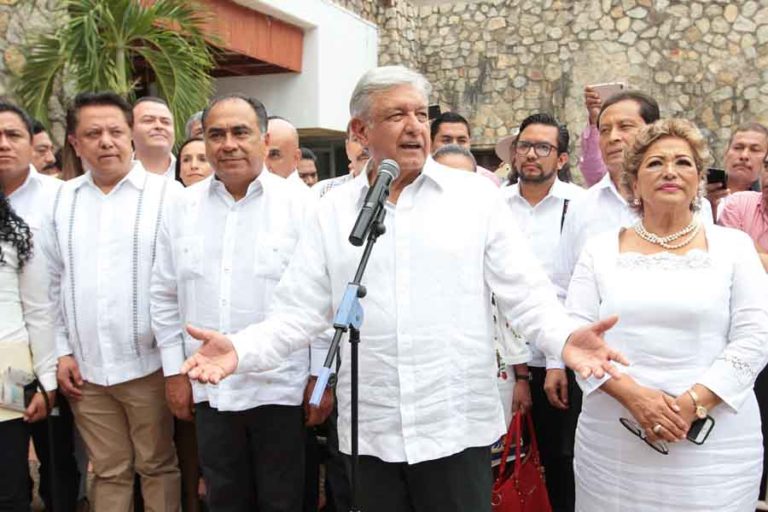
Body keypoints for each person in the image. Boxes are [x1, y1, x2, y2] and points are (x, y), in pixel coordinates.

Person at [179, 65, 627, 512]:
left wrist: (566, 339)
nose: (414, 126)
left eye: (420, 114)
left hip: (453, 425)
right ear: (360, 131)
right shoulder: (332, 211)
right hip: (371, 432)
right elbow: (299, 313)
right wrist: (240, 350)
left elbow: (526, 293)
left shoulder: (475, 198)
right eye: (396, 116)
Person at [567, 118, 768, 511]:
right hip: (614, 439)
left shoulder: (734, 248)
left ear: (697, 178)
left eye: (683, 162)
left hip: (715, 444)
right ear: (634, 180)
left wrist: (690, 405)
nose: (670, 172)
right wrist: (636, 398)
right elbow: (576, 339)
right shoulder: (599, 250)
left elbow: (756, 337)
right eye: (655, 163)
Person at [151, 94, 328, 512]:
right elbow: (163, 293)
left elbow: (322, 301)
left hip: (281, 390)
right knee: (224, 497)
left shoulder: (303, 206)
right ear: (203, 141)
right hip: (212, 390)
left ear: (264, 141)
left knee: (283, 501)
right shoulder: (180, 208)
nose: (227, 143)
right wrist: (173, 373)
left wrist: (321, 379)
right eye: (216, 134)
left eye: (240, 132)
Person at [42, 92, 182, 512]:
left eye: (115, 131)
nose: (106, 141)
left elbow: (179, 284)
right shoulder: (61, 199)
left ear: (131, 136)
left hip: (149, 365)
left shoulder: (168, 196)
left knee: (157, 466)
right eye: (93, 133)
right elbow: (51, 283)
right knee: (107, 470)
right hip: (86, 371)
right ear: (74, 142)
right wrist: (61, 351)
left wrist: (175, 365)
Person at [501, 113, 586, 512]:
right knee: (500, 461)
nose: (531, 154)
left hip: (558, 360)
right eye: (524, 145)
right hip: (500, 360)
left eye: (543, 147)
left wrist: (555, 361)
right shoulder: (494, 206)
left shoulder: (579, 207)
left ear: (563, 159)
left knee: (561, 461)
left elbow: (577, 290)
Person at [0, 191, 58, 511]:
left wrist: (48, 384)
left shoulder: (15, 235)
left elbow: (39, 312)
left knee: (10, 485)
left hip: (9, 371)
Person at [707, 122, 768, 219]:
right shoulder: (698, 194)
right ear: (726, 153)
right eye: (738, 148)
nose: (744, 156)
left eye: (754, 150)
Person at [430, 111, 500, 185]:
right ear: (430, 143)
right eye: (447, 140)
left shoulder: (488, 180)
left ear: (469, 143)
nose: (455, 146)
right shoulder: (420, 178)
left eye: (461, 141)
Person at [312, 122, 369, 199]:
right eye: (357, 140)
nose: (365, 146)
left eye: (371, 138)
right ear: (347, 147)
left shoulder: (390, 195)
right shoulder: (323, 191)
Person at [133, 96, 176, 179]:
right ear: (130, 130)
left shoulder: (192, 172)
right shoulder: (113, 173)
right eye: (148, 120)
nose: (159, 126)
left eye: (166, 122)